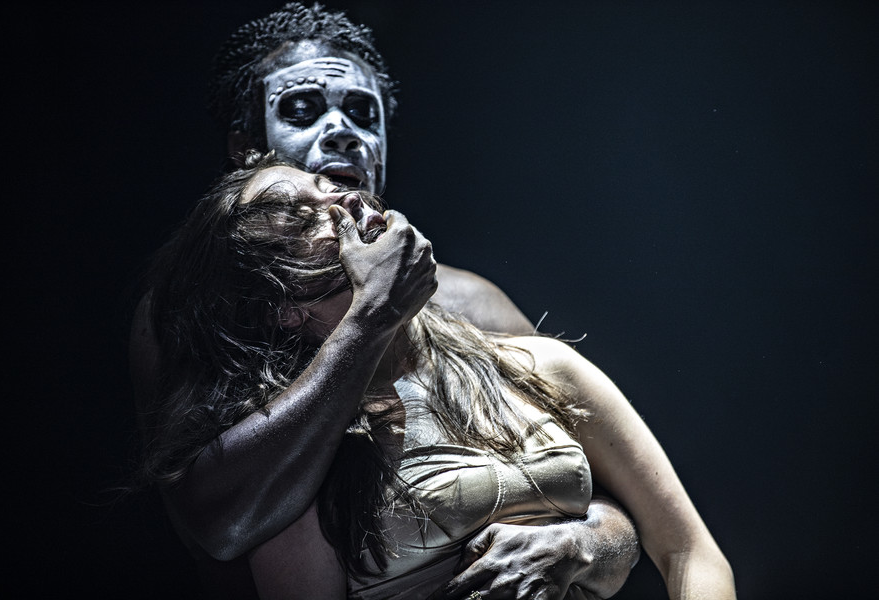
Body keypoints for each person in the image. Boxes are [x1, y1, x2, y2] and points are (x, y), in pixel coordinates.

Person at [129, 3, 639, 596]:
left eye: (362, 113)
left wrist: (579, 543)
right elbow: (219, 531)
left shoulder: (470, 300)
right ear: (247, 148)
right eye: (302, 109)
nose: (342, 130)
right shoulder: (193, 313)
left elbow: (609, 493)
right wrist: (372, 315)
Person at [140, 153, 735, 599]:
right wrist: (374, 310)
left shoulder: (537, 366)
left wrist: (583, 543)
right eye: (299, 217)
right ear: (281, 306)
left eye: (330, 186)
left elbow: (688, 552)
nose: (343, 200)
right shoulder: (300, 464)